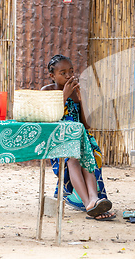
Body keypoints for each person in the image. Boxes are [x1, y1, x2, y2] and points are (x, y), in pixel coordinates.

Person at [42, 54, 114, 221]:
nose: (69, 76)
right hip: (59, 140)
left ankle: (93, 201)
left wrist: (81, 99)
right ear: (52, 76)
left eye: (71, 71)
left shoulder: (78, 92)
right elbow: (47, 119)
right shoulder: (47, 92)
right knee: (74, 158)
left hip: (81, 137)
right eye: (63, 72)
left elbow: (87, 125)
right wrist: (64, 96)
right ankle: (89, 201)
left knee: (88, 156)